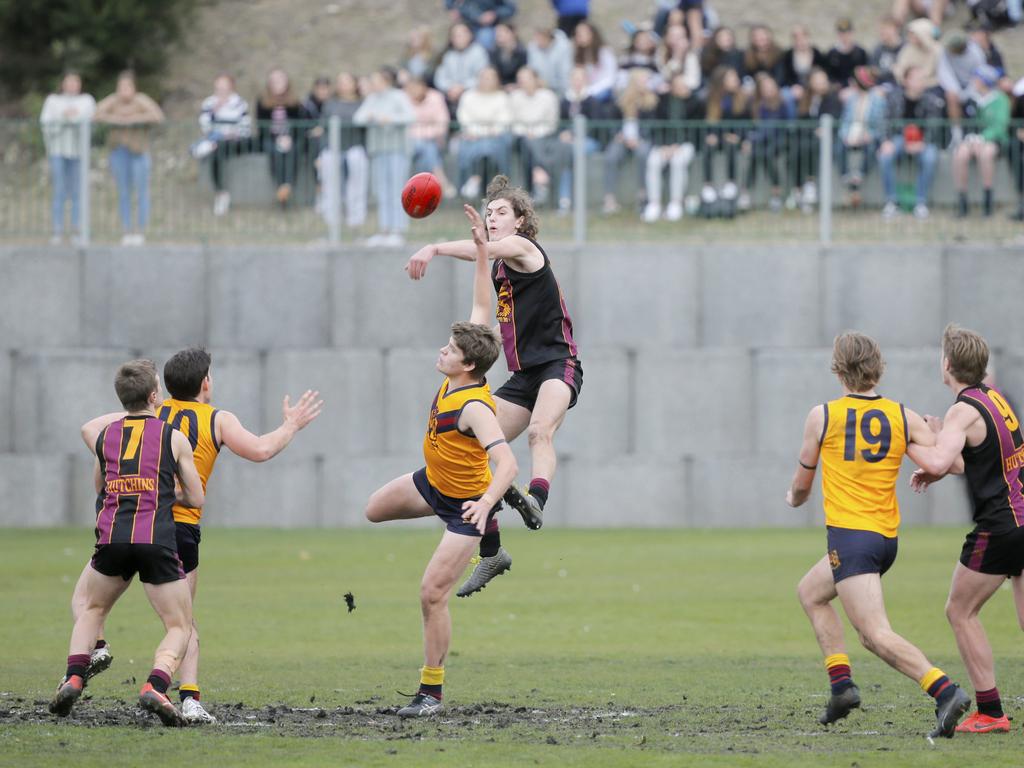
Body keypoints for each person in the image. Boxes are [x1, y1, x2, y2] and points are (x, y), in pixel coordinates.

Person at [72, 349, 323, 724]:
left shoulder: (152, 413)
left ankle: (92, 653)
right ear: (206, 382)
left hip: (134, 520)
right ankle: (187, 697)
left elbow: (93, 429)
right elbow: (260, 450)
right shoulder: (217, 419)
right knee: (182, 621)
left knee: (87, 602)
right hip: (179, 528)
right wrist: (291, 425)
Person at [366, 204, 518, 716]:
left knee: (432, 594)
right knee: (372, 509)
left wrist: (487, 501)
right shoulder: (463, 369)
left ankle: (430, 692)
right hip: (432, 482)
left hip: (464, 506)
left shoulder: (475, 405)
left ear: (468, 363)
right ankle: (485, 513)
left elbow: (510, 465)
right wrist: (479, 247)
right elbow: (481, 297)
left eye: (450, 350)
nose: (443, 351)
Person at [787, 332, 971, 738]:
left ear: (839, 369)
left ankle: (945, 691)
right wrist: (936, 432)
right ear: (877, 367)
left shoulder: (823, 415)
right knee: (811, 593)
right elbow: (954, 464)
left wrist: (792, 497)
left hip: (852, 538)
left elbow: (801, 489)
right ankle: (841, 687)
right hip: (884, 539)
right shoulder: (902, 415)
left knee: (874, 634)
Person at [405, 175, 582, 596]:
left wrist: (434, 247)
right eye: (489, 213)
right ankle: (492, 551)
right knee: (477, 446)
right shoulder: (499, 268)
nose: (493, 217)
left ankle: (536, 498)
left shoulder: (524, 249)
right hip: (522, 378)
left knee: (541, 430)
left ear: (521, 221)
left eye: (502, 212)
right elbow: (482, 306)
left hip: (559, 364)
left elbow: (486, 250)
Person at [49, 360, 205, 726]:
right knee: (179, 625)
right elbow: (196, 498)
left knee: (91, 610)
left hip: (112, 539)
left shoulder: (105, 437)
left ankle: (74, 676)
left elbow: (100, 489)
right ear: (154, 396)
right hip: (157, 540)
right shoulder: (172, 436)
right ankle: (155, 684)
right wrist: (164, 493)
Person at [906, 324, 1023, 734]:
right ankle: (991, 712)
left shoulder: (962, 409)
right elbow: (964, 461)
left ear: (948, 364)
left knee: (960, 610)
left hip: (1001, 526)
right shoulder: (995, 400)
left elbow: (940, 462)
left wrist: (906, 436)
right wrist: (940, 442)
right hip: (1023, 518)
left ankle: (990, 712)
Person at [93, 71, 164, 245]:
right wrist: (115, 119)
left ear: (133, 88)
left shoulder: (141, 100)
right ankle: (126, 229)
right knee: (123, 192)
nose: (124, 90)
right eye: (121, 87)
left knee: (141, 191)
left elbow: (158, 116)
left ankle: (140, 230)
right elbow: (96, 114)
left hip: (139, 152)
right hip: (119, 152)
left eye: (127, 87)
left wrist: (133, 119)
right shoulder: (113, 101)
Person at [354, 66, 415, 247]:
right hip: (379, 149)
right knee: (382, 190)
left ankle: (398, 230)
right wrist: (372, 116)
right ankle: (385, 229)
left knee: (397, 189)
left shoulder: (399, 96)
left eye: (376, 80)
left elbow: (410, 116)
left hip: (397, 149)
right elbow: (359, 118)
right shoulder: (372, 99)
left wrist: (390, 119)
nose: (373, 84)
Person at [878, 65, 944, 219]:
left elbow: (935, 127)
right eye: (917, 78)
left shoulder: (931, 100)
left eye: (923, 79)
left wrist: (923, 142)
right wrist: (886, 141)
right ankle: (892, 202)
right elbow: (885, 121)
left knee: (930, 158)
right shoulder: (894, 97)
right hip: (899, 137)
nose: (921, 82)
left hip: (923, 140)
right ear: (906, 80)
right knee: (884, 156)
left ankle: (920, 202)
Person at [40, 70, 95, 244]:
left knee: (77, 192)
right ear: (63, 83)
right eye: (69, 82)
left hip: (78, 153)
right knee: (59, 190)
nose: (72, 85)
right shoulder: (52, 101)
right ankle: (57, 230)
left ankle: (76, 230)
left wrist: (70, 118)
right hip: (58, 151)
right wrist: (66, 118)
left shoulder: (87, 100)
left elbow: (89, 120)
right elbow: (46, 123)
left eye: (75, 82)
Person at [643, 71, 702, 222]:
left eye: (684, 84)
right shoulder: (662, 102)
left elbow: (696, 129)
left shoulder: (696, 103)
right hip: (664, 145)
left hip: (686, 144)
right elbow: (657, 126)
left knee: (678, 162)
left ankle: (676, 203)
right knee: (653, 161)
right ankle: (654, 203)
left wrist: (678, 145)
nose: (683, 88)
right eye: (679, 85)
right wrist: (663, 145)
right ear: (672, 87)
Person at [952, 65, 1010, 217]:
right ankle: (962, 200)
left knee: (986, 154)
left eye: (977, 78)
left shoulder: (1000, 99)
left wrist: (983, 138)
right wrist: (971, 138)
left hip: (993, 139)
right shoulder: (972, 98)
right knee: (961, 154)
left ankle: (987, 199)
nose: (974, 81)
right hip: (973, 139)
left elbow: (1000, 125)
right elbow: (968, 121)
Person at [194, 73, 252, 216]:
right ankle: (221, 193)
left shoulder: (240, 103)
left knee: (219, 148)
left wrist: (232, 134)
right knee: (216, 152)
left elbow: (245, 127)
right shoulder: (209, 103)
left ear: (231, 87)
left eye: (224, 87)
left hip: (236, 142)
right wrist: (214, 112)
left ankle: (222, 194)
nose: (221, 91)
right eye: (218, 87)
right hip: (216, 141)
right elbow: (205, 126)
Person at [510, 66, 568, 207]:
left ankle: (537, 177)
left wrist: (535, 133)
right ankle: (541, 174)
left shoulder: (548, 96)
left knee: (535, 145)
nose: (523, 82)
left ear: (536, 79)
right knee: (527, 143)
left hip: (545, 136)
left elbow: (551, 122)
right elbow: (512, 121)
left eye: (527, 79)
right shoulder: (514, 97)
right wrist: (527, 132)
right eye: (520, 79)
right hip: (521, 138)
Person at [602, 68, 657, 215]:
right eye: (642, 81)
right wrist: (618, 135)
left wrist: (638, 138)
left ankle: (642, 195)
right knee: (611, 156)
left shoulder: (652, 101)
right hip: (622, 138)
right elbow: (611, 120)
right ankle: (609, 199)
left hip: (641, 139)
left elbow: (652, 125)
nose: (645, 84)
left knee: (644, 154)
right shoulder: (621, 100)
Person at [321, 72, 370, 230]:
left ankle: (356, 219)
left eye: (346, 81)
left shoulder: (363, 103)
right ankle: (332, 219)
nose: (342, 85)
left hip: (355, 149)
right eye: (340, 81)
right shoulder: (330, 104)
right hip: (333, 149)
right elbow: (323, 129)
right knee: (331, 184)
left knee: (356, 184)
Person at [701, 66, 751, 217]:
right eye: (731, 78)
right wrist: (716, 135)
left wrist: (741, 138)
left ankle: (731, 183)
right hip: (718, 137)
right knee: (708, 147)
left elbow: (747, 121)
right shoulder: (711, 98)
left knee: (730, 147)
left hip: (734, 139)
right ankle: (708, 185)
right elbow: (709, 122)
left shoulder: (743, 98)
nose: (736, 81)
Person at [455, 66, 512, 199]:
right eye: (484, 77)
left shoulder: (502, 97)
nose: (486, 81)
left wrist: (482, 132)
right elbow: (464, 118)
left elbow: (503, 121)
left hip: (495, 138)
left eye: (490, 78)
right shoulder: (468, 96)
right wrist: (482, 131)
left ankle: (476, 179)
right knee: (479, 147)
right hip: (472, 137)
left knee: (487, 148)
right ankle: (476, 180)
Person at [255, 68, 306, 208]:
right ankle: (281, 187)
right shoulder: (262, 102)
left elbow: (300, 125)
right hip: (270, 139)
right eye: (274, 80)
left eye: (281, 79)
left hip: (291, 138)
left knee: (293, 151)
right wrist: (277, 139)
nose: (278, 83)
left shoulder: (295, 102)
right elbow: (261, 127)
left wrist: (288, 138)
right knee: (274, 152)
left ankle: (287, 186)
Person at [794, 68, 841, 213]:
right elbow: (801, 120)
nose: (821, 84)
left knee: (811, 147)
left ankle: (810, 184)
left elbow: (834, 118)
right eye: (817, 81)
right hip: (806, 135)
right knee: (795, 150)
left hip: (825, 138)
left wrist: (822, 130)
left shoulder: (832, 98)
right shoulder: (805, 99)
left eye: (823, 80)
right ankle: (798, 189)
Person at [838, 66, 886, 208]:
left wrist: (869, 135)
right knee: (838, 146)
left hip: (869, 135)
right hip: (851, 133)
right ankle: (847, 177)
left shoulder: (877, 100)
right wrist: (846, 136)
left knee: (871, 148)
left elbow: (880, 125)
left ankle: (859, 176)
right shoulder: (851, 99)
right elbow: (844, 121)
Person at [406, 75, 455, 198]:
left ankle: (417, 192)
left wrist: (423, 133)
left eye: (416, 87)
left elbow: (442, 123)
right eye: (410, 88)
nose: (413, 91)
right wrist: (424, 131)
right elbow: (405, 127)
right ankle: (442, 181)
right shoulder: (403, 99)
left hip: (435, 141)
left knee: (427, 147)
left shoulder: (436, 97)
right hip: (410, 143)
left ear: (424, 87)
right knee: (426, 149)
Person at [434, 21, 492, 115]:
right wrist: (450, 88)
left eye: (461, 34)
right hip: (450, 93)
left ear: (470, 35)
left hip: (473, 92)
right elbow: (440, 77)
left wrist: (462, 88)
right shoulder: (448, 55)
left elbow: (482, 77)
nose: (458, 38)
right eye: (455, 35)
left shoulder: (478, 52)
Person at [445, 0, 518, 51]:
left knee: (485, 36)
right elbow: (451, 4)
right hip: (467, 24)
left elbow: (511, 8)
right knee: (458, 35)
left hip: (491, 27)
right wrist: (452, 7)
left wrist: (494, 14)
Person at [572, 21, 618, 101]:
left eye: (582, 33)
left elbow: (611, 78)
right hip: (586, 90)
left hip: (603, 90)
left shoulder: (604, 52)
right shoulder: (580, 54)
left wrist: (591, 90)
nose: (579, 36)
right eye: (577, 33)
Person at [777, 24, 826, 97]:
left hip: (813, 85)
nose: (800, 41)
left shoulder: (816, 53)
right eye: (796, 38)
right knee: (786, 95)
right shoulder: (788, 55)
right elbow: (785, 75)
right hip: (795, 87)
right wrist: (793, 86)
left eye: (803, 37)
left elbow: (822, 72)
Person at [527, 26, 574, 96]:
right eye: (536, 38)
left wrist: (548, 84)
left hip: (560, 89)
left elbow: (565, 74)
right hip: (539, 88)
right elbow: (531, 69)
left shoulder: (564, 47)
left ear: (547, 38)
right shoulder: (532, 46)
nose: (537, 41)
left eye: (540, 38)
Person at [825, 18, 869, 90]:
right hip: (837, 89)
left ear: (852, 33)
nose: (845, 36)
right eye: (842, 33)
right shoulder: (832, 53)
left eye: (847, 33)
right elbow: (829, 75)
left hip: (857, 88)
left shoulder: (860, 52)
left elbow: (864, 73)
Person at [659, 22, 702, 93]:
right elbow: (665, 75)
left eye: (680, 36)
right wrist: (677, 56)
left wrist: (679, 83)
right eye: (673, 36)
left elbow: (693, 82)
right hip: (667, 89)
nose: (677, 40)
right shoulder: (661, 52)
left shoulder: (691, 55)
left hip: (687, 91)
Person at [491, 22, 528, 88]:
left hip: (520, 87)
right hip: (500, 87)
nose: (498, 35)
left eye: (502, 31)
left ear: (513, 32)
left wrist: (516, 85)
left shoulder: (523, 51)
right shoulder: (493, 51)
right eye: (496, 32)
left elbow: (524, 71)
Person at [871, 16, 905, 86]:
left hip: (899, 87)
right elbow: (873, 71)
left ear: (896, 29)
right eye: (880, 29)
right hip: (879, 86)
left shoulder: (905, 48)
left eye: (885, 28)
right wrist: (891, 70)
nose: (882, 31)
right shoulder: (878, 49)